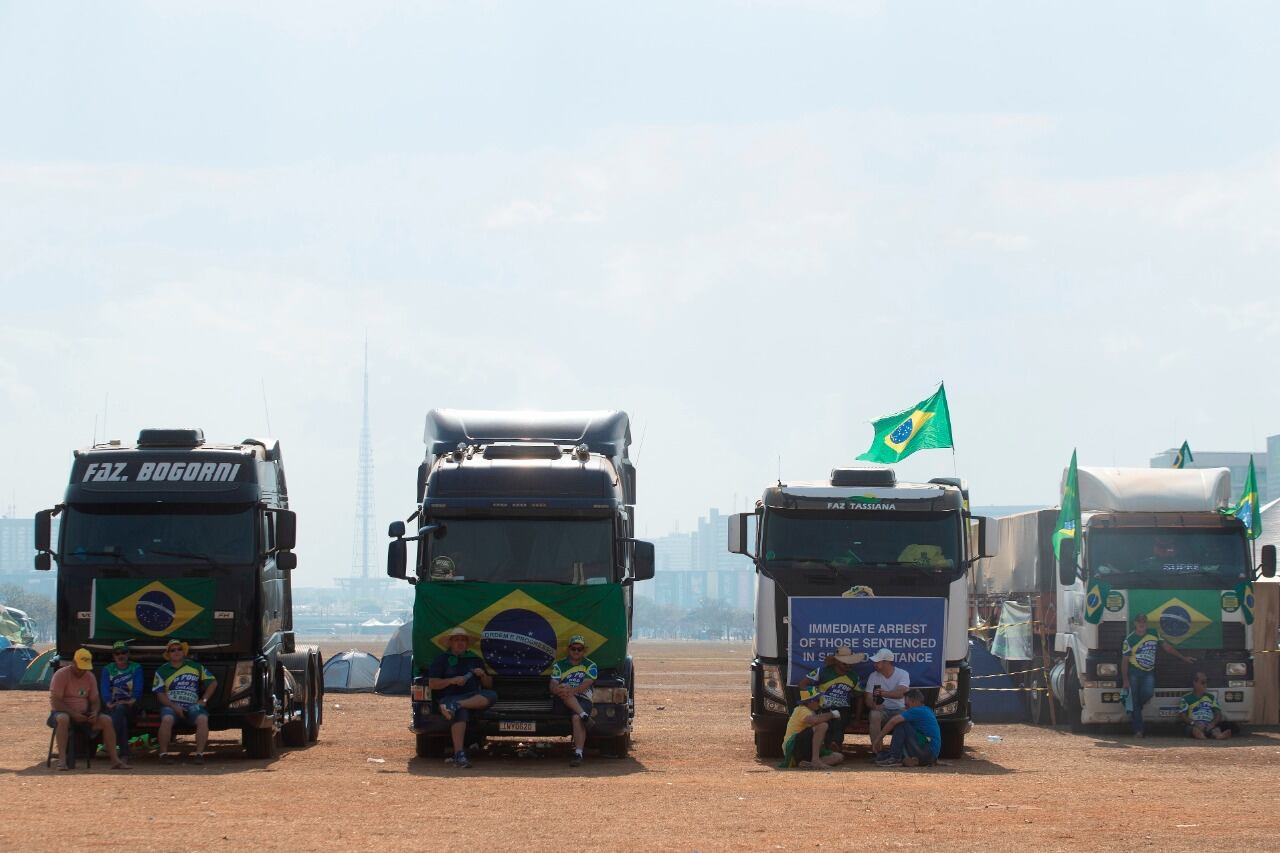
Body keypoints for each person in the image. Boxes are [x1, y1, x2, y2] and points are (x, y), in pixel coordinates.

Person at [48, 648, 130, 770]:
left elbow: (95, 700)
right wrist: (73, 714)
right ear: (74, 663)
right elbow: (56, 701)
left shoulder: (89, 677)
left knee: (106, 720)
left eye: (85, 668)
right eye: (80, 667)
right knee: (63, 719)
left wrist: (95, 712)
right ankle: (62, 761)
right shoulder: (61, 675)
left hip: (83, 714)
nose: (82, 671)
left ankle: (114, 760)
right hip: (62, 712)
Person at [427, 626, 497, 769]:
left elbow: (488, 685)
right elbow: (432, 684)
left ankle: (458, 705)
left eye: (463, 640)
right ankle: (459, 754)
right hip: (449, 697)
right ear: (451, 643)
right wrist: (451, 680)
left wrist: (482, 674)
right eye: (457, 640)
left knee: (492, 695)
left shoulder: (475, 660)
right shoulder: (442, 660)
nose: (460, 643)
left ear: (467, 644)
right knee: (461, 713)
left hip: (471, 698)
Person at [1121, 613, 1194, 737]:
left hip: (1148, 672)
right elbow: (1124, 661)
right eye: (1139, 621)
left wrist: (1183, 657)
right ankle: (1139, 730)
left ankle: (1134, 708)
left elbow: (1168, 648)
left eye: (1143, 621)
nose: (1141, 623)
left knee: (1147, 694)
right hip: (1134, 673)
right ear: (1135, 624)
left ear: (1146, 623)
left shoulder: (1154, 633)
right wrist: (1125, 680)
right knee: (1134, 700)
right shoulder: (1129, 639)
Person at [153, 638, 218, 764]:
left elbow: (213, 682)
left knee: (203, 719)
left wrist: (204, 699)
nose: (176, 652)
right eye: (172, 650)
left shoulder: (196, 666)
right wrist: (174, 706)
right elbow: (160, 695)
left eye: (179, 649)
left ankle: (199, 754)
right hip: (171, 706)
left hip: (193, 705)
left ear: (184, 652)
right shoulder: (161, 670)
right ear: (168, 654)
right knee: (166, 719)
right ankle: (163, 754)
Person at [797, 647, 863, 750]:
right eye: (844, 663)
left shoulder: (854, 676)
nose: (848, 666)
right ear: (837, 661)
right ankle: (831, 748)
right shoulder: (822, 671)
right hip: (823, 707)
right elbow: (802, 684)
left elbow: (859, 697)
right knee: (827, 724)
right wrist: (815, 695)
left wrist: (857, 719)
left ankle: (835, 745)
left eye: (850, 663)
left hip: (843, 708)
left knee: (839, 723)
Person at [550, 634, 598, 767]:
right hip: (562, 700)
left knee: (576, 718)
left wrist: (571, 690)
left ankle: (578, 753)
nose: (576, 651)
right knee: (564, 688)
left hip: (583, 698)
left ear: (584, 651)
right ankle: (586, 717)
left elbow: (586, 684)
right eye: (573, 648)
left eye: (579, 649)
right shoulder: (559, 665)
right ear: (568, 649)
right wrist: (558, 689)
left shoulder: (590, 665)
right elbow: (553, 684)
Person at [779, 687, 844, 770]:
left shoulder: (810, 711)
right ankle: (816, 760)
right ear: (810, 701)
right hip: (793, 747)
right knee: (823, 725)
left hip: (803, 748)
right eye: (817, 700)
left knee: (838, 756)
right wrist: (832, 714)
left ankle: (807, 763)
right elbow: (813, 720)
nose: (819, 702)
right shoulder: (802, 709)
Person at [101, 640, 144, 761]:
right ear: (113, 656)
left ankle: (108, 743)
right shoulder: (107, 669)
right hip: (112, 707)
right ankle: (124, 754)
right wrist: (109, 702)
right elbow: (105, 690)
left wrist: (127, 702)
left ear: (128, 654)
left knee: (120, 710)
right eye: (117, 653)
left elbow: (137, 692)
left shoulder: (136, 668)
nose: (121, 656)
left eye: (123, 652)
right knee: (121, 719)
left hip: (131, 706)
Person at [876, 689, 941, 767]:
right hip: (931, 753)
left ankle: (895, 758)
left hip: (927, 750)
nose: (905, 707)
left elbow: (893, 721)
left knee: (901, 724)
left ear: (914, 701)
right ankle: (905, 758)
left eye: (907, 705)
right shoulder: (927, 709)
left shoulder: (916, 710)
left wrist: (877, 740)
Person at [865, 649, 910, 759]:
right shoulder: (873, 676)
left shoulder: (902, 674)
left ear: (887, 662)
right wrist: (874, 705)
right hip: (882, 710)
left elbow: (900, 693)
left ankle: (898, 752)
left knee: (905, 717)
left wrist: (883, 693)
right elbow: (868, 698)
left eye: (877, 662)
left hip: (899, 709)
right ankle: (878, 752)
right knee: (874, 714)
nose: (874, 664)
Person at [1180, 672, 1232, 741]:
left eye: (1206, 682)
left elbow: (1218, 713)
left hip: (1209, 724)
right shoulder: (1186, 698)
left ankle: (1219, 735)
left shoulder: (1211, 697)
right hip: (1195, 724)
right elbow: (1183, 715)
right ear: (1195, 683)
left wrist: (1212, 724)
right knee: (1194, 730)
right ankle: (1202, 736)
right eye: (1202, 682)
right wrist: (1194, 723)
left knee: (1216, 729)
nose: (1205, 685)